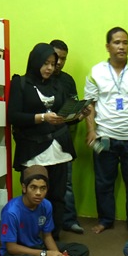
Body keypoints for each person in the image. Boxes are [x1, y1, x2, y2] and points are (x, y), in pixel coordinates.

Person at [8, 43, 82, 240]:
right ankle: (30, 238)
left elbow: (63, 115)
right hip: (33, 148)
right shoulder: (20, 83)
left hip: (59, 148)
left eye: (52, 64)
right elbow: (13, 116)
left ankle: (53, 236)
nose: (49, 68)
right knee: (35, 196)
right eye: (45, 63)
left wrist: (78, 115)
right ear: (35, 61)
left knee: (57, 196)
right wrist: (42, 117)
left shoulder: (57, 85)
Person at [84, 27, 128, 234]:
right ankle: (105, 219)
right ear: (108, 46)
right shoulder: (96, 71)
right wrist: (91, 130)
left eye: (125, 42)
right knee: (103, 181)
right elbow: (89, 103)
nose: (122, 46)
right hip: (105, 136)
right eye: (117, 42)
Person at [0, 165, 89, 256]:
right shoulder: (11, 211)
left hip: (38, 246)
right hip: (16, 252)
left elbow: (47, 236)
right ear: (24, 188)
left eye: (43, 188)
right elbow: (11, 248)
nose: (38, 193)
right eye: (33, 187)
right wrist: (45, 254)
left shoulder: (46, 205)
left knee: (81, 250)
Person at [50, 39, 84, 235]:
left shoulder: (68, 80)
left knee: (67, 182)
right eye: (57, 57)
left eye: (63, 59)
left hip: (64, 136)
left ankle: (69, 220)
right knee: (42, 182)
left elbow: (74, 108)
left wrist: (79, 114)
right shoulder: (37, 78)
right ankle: (44, 222)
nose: (59, 62)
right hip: (40, 138)